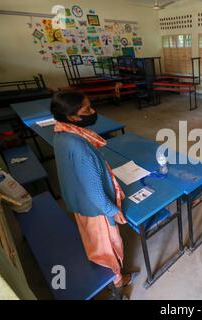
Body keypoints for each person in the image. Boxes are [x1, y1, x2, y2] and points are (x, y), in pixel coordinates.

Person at [51, 91, 136, 287]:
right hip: (94, 208)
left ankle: (110, 272)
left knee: (92, 239)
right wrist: (113, 211)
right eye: (87, 109)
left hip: (77, 201)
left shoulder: (61, 132)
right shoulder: (81, 149)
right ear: (72, 117)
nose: (93, 111)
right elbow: (94, 191)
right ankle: (118, 279)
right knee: (108, 245)